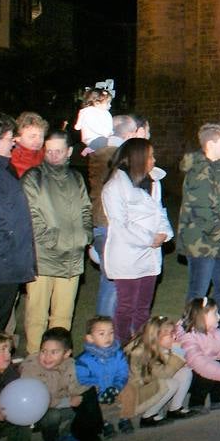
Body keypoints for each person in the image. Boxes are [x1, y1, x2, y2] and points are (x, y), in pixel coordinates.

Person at [21, 129, 91, 353]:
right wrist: (53, 240)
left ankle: (57, 358)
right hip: (43, 257)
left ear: (69, 151)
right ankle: (34, 358)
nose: (52, 156)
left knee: (63, 315)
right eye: (48, 151)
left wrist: (85, 235)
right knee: (37, 314)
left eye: (58, 151)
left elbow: (86, 209)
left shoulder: (76, 178)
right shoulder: (33, 178)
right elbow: (30, 216)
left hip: (72, 257)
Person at [102, 138, 173, 343]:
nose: (153, 160)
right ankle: (124, 345)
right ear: (137, 157)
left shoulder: (152, 182)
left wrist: (164, 233)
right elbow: (120, 224)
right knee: (126, 306)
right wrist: (149, 238)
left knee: (143, 306)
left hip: (149, 256)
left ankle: (142, 344)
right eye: (150, 156)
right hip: (128, 254)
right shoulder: (115, 185)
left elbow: (159, 212)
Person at [87, 113, 147, 320]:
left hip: (104, 223)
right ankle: (105, 331)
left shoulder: (100, 153)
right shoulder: (115, 157)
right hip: (112, 226)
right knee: (114, 283)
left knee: (115, 281)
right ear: (131, 134)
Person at [0, 109, 35, 333]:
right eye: (9, 138)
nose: (13, 143)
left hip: (3, 265)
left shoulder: (1, 168)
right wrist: (6, 245)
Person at [178, 122, 220, 307]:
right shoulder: (200, 171)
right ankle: (191, 331)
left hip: (218, 242)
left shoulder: (218, 167)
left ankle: (216, 328)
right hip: (202, 243)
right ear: (211, 144)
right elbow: (204, 212)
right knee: (198, 291)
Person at [20, 326, 104, 441]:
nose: (47, 357)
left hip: (61, 403)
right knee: (53, 415)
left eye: (54, 352)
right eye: (43, 351)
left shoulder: (69, 364)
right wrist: (67, 402)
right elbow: (36, 400)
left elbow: (76, 388)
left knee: (88, 395)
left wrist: (91, 386)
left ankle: (81, 434)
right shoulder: (31, 368)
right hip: (39, 412)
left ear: (66, 354)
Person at [121, 316, 195, 427]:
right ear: (156, 336)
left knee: (185, 372)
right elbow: (164, 374)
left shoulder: (157, 346)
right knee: (170, 384)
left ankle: (175, 409)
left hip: (148, 388)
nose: (174, 337)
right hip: (134, 397)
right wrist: (177, 354)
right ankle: (148, 416)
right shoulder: (140, 353)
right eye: (170, 335)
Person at [177, 297, 220, 413]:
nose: (219, 317)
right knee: (204, 371)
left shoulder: (215, 332)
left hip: (210, 367)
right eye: (215, 313)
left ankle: (217, 400)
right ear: (202, 317)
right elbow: (199, 363)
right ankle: (196, 403)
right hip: (192, 375)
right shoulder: (188, 336)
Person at [73, 315, 131, 436]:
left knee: (130, 389)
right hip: (97, 392)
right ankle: (104, 422)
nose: (108, 337)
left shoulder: (118, 354)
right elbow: (82, 379)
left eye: (111, 333)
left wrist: (116, 387)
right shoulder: (84, 360)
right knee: (90, 401)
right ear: (90, 338)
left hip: (114, 389)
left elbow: (122, 372)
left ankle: (125, 417)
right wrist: (99, 390)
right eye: (102, 334)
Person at [74, 86, 115, 150]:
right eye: (107, 103)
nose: (110, 105)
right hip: (92, 138)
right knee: (109, 146)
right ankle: (87, 152)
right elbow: (94, 125)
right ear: (97, 103)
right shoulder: (89, 112)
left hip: (101, 137)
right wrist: (107, 133)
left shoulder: (103, 112)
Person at [9, 111, 46, 178]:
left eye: (41, 136)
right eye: (32, 136)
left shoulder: (46, 155)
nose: (38, 141)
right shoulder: (9, 159)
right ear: (17, 138)